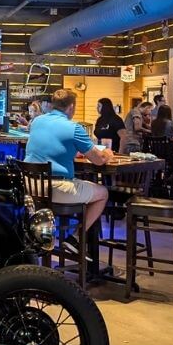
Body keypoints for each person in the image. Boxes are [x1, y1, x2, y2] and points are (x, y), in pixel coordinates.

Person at [25, 89, 111, 256]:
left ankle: (38, 241)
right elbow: (99, 160)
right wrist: (107, 153)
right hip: (56, 188)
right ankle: (75, 239)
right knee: (102, 193)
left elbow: (51, 145)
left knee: (82, 187)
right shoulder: (74, 128)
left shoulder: (37, 121)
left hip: (31, 187)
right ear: (71, 107)